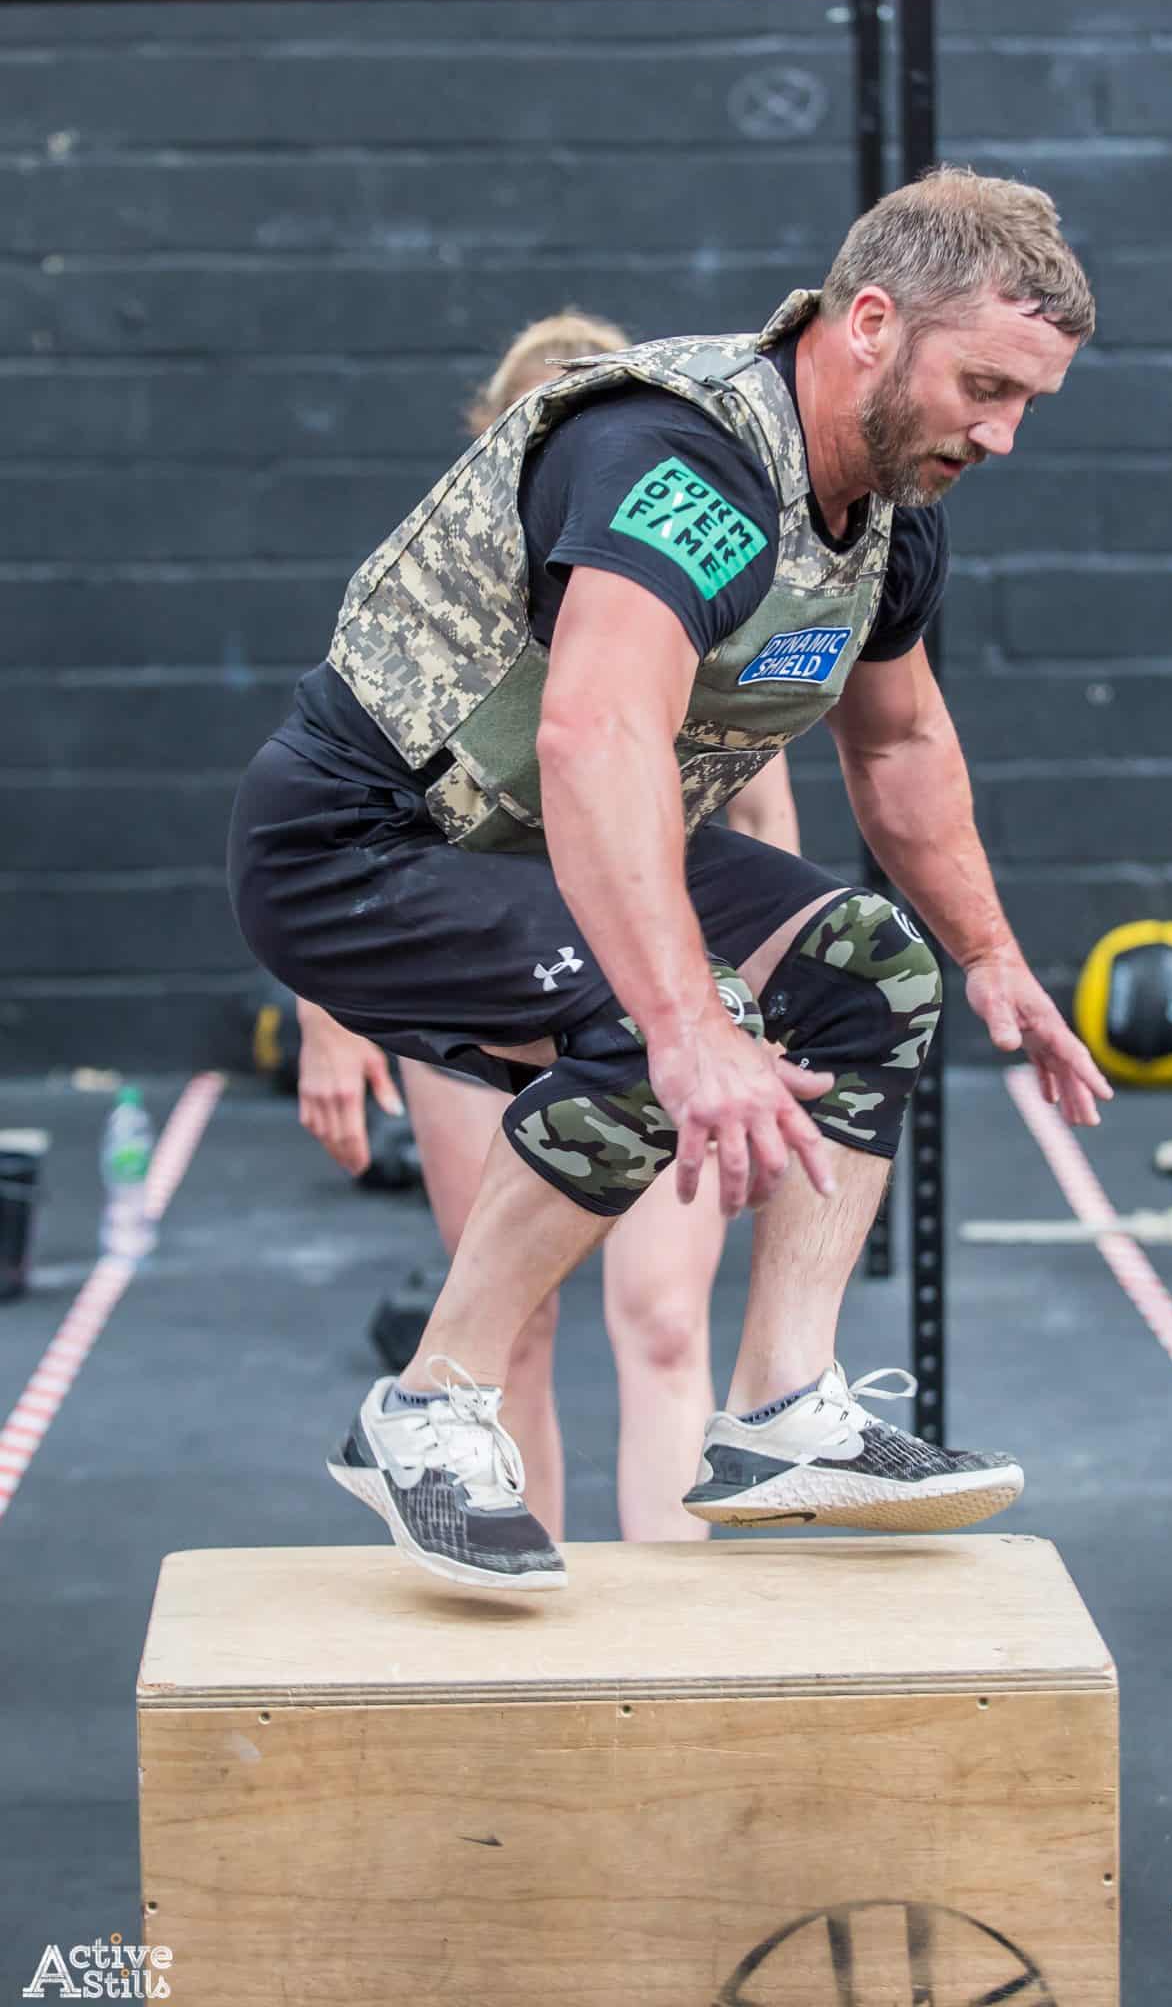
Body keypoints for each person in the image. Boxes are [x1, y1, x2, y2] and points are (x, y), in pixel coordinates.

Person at [229, 166, 1114, 1596]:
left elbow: (899, 747)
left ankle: (778, 1414)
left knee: (870, 969)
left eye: (1030, 404)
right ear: (872, 322)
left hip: (531, 840)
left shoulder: (887, 510)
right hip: (364, 843)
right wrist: (693, 1027)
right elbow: (595, 730)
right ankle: (429, 1406)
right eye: (986, 386)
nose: (1002, 434)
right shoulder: (682, 459)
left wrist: (993, 953)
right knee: (658, 1019)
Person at [293, 310, 805, 1545]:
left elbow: (772, 822)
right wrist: (326, 1022)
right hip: (482, 980)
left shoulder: (698, 598)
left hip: (657, 987)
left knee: (667, 1318)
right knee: (507, 1321)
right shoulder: (438, 617)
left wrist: (769, 1015)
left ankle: (669, 1646)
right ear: (503, 453)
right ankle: (514, 1604)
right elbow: (349, 812)